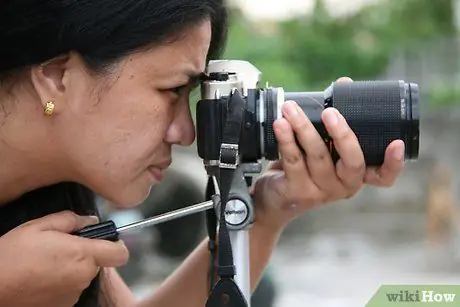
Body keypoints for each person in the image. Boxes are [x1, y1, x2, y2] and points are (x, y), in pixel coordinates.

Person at [0, 1, 406, 306]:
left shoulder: (56, 196)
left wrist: (263, 209)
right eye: (172, 89)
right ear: (57, 78)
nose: (186, 131)